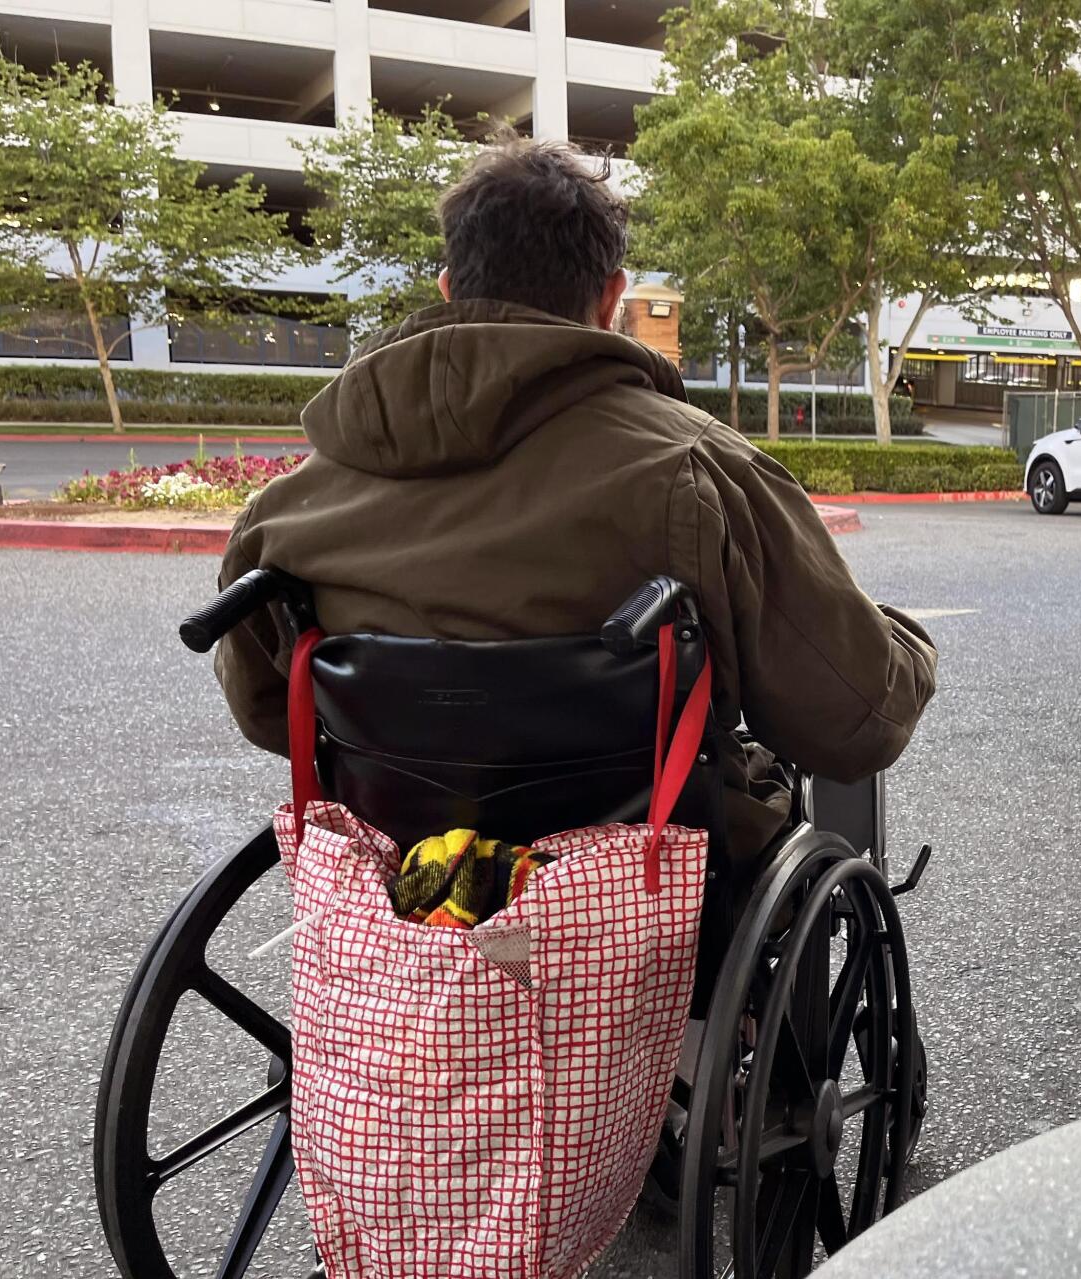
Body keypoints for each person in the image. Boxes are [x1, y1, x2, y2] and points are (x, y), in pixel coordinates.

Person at [214, 135, 938, 869]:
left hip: (411, 893)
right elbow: (854, 719)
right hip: (654, 911)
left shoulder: (289, 509)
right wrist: (906, 647)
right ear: (612, 296)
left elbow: (268, 712)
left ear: (448, 287)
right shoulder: (698, 470)